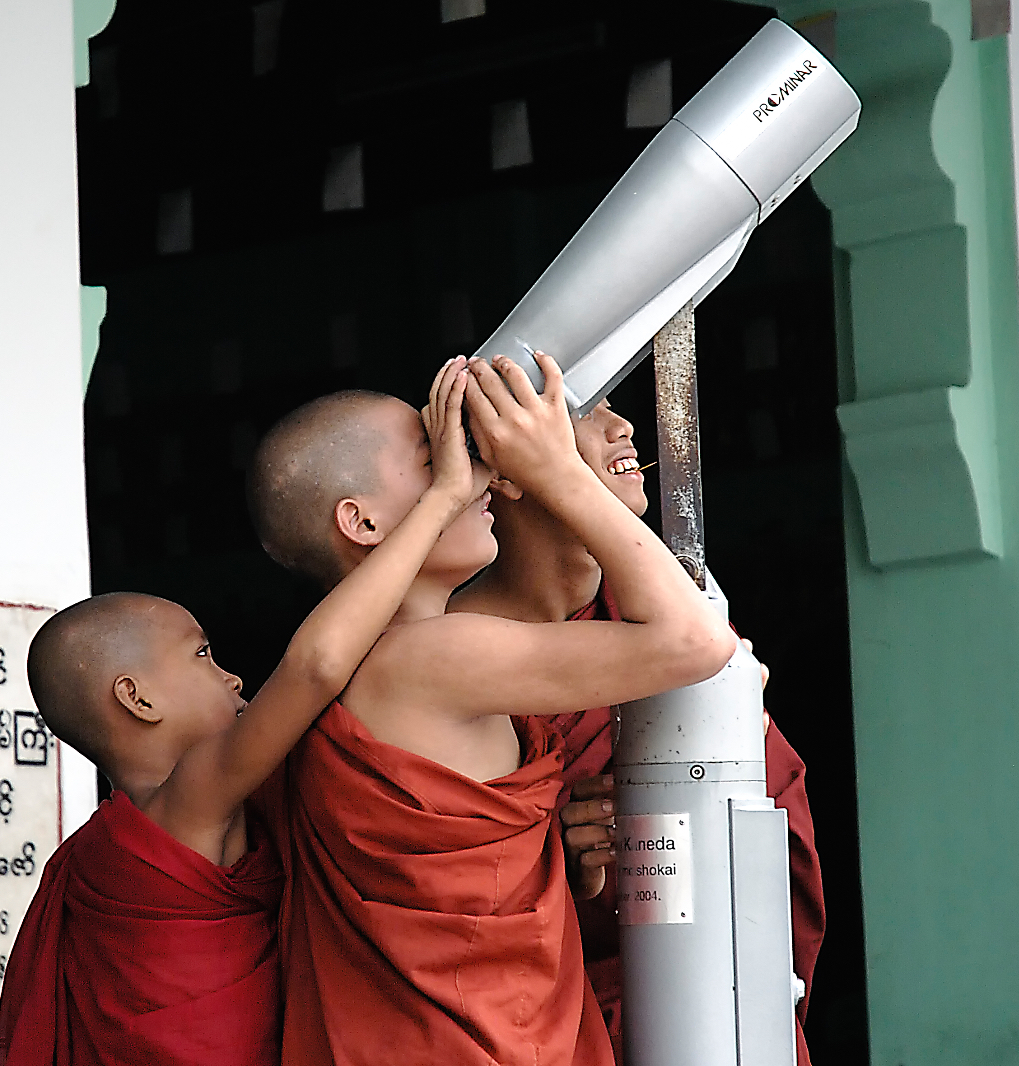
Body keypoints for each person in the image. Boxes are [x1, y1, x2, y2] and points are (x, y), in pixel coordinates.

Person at [0, 360, 487, 1066]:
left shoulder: (169, 834)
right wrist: (440, 500)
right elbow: (315, 668)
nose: (231, 674)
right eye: (200, 656)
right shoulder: (187, 806)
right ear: (137, 699)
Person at [246, 353, 737, 1066]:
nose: (473, 475)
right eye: (433, 455)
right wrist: (556, 471)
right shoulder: (426, 660)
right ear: (362, 522)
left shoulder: (380, 665)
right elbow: (693, 640)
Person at [449, 396, 826, 1066]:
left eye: (614, 406)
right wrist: (561, 871)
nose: (623, 427)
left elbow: (771, 842)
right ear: (503, 471)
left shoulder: (660, 615)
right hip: (566, 1029)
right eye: (587, 412)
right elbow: (442, 918)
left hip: (709, 1010)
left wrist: (716, 775)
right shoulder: (442, 667)